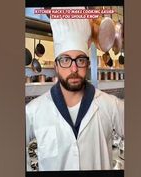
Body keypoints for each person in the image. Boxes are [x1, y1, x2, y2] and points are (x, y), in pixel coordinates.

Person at [26, 9, 124, 171]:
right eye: (65, 60)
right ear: (56, 66)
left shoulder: (111, 105)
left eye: (80, 60)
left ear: (88, 63)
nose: (73, 68)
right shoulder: (33, 111)